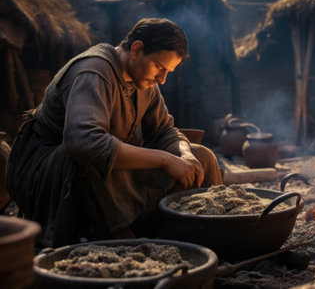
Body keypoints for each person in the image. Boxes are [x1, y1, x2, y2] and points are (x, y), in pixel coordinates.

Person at [6, 18, 223, 248]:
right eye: (160, 67)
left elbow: (164, 131)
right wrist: (164, 159)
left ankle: (201, 234)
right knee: (92, 157)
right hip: (53, 173)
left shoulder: (146, 84)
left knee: (203, 157)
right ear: (137, 49)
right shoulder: (93, 72)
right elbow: (84, 142)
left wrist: (184, 154)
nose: (162, 78)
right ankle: (124, 240)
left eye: (168, 71)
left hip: (104, 165)